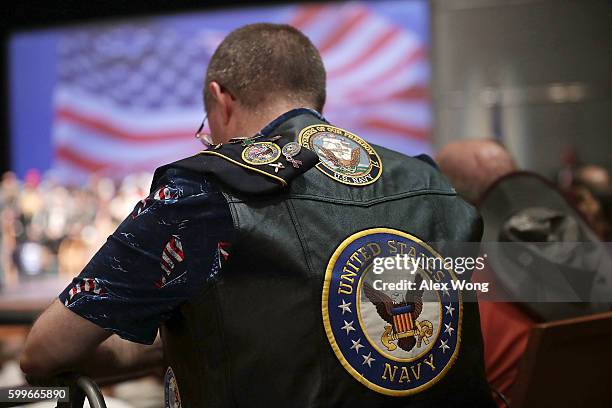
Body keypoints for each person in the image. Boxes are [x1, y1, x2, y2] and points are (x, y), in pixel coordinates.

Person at [21, 24, 494, 407]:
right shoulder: (431, 183)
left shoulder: (204, 190)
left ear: (221, 100)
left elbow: (43, 353)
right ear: (315, 99)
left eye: (206, 131)